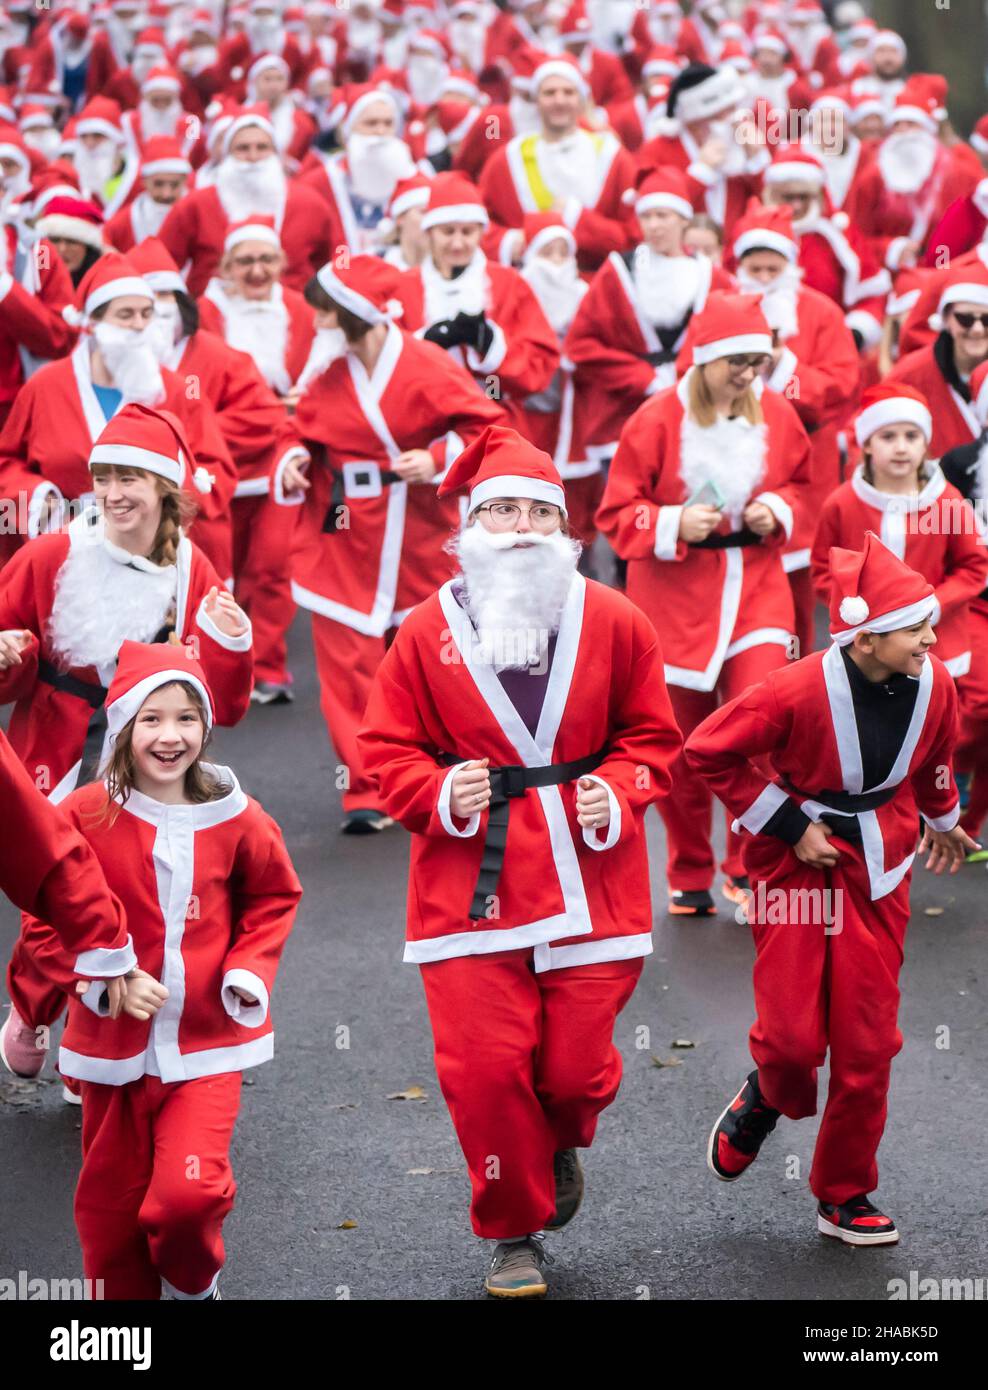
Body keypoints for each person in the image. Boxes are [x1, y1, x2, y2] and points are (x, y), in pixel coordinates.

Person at [357, 424, 681, 1298]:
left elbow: (654, 739)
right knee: (486, 1069)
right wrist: (433, 794)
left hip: (591, 874)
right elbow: (383, 752)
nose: (521, 527)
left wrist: (618, 791)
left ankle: (560, 1137)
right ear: (469, 527)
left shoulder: (615, 618)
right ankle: (513, 1231)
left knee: (573, 1075)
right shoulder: (424, 633)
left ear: (564, 530)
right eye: (500, 510)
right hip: (472, 885)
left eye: (539, 512)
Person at [686, 534, 976, 1245]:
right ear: (867, 637)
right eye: (916, 628)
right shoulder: (793, 687)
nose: (932, 640)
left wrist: (945, 824)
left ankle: (845, 1192)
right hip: (795, 864)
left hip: (880, 863)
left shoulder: (936, 684)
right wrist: (790, 825)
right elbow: (707, 752)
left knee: (868, 1042)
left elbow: (938, 757)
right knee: (790, 1041)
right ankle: (766, 1096)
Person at [16, 640, 301, 1299]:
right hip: (110, 1057)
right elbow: (42, 915)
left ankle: (198, 1282)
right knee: (111, 1223)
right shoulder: (84, 814)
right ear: (122, 727)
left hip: (206, 1046)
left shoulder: (237, 815)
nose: (170, 736)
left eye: (185, 717)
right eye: (151, 718)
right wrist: (97, 981)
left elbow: (275, 895)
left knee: (185, 1201)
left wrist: (247, 971)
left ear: (205, 725)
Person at [272, 254, 506, 833]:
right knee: (349, 664)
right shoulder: (327, 371)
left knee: (428, 657)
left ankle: (441, 774)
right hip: (341, 531)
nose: (318, 325)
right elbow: (293, 427)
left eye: (326, 313)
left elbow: (490, 429)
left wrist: (436, 458)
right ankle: (366, 789)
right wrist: (294, 457)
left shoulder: (425, 365)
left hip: (417, 532)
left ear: (353, 315)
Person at [596, 293, 811, 914]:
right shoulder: (655, 419)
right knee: (685, 747)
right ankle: (690, 867)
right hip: (673, 597)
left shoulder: (775, 412)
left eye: (759, 362)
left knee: (762, 729)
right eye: (737, 362)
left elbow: (801, 478)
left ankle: (750, 864)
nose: (749, 375)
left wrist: (784, 508)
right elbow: (616, 511)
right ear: (705, 359)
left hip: (758, 585)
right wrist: (669, 524)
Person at [0, 253, 237, 578]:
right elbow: (6, 462)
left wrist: (157, 502)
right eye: (126, 314)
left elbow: (215, 469)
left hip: (154, 560)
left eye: (146, 314)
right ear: (93, 324)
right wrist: (40, 499)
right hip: (65, 555)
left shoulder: (175, 390)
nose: (140, 325)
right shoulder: (45, 386)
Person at [726, 198, 860, 656]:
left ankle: (800, 673)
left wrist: (784, 366)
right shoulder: (720, 310)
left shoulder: (821, 313)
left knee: (796, 586)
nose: (763, 278)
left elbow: (841, 382)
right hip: (732, 464)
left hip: (804, 470)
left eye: (772, 267)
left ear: (789, 265)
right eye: (755, 267)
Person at [812, 384, 988, 680]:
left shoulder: (947, 500)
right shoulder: (842, 503)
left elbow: (974, 566)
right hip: (865, 647)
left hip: (937, 644)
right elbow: (822, 571)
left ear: (925, 444)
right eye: (888, 436)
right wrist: (855, 607)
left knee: (934, 720)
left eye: (912, 436)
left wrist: (935, 604)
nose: (901, 447)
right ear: (867, 443)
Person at [564, 166, 732, 462]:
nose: (654, 225)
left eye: (663, 215)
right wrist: (644, 378)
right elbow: (580, 346)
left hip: (696, 420)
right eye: (646, 216)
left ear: (683, 220)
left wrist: (684, 377)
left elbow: (730, 345)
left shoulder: (712, 277)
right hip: (623, 421)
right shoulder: (617, 272)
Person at [392, 173, 559, 431]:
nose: (458, 243)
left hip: (499, 424)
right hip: (423, 429)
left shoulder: (508, 283)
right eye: (448, 232)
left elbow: (540, 369)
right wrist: (424, 344)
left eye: (467, 232)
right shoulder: (403, 287)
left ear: (481, 232)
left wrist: (491, 347)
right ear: (430, 232)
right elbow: (384, 366)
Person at [479, 53, 636, 271]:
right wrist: (510, 242)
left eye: (568, 92)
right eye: (550, 93)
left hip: (595, 288)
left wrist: (577, 218)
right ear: (536, 99)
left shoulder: (613, 157)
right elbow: (477, 226)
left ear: (581, 99)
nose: (559, 101)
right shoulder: (506, 160)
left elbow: (633, 237)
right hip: (525, 288)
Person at [159, 108, 332, 297]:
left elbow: (336, 256)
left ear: (275, 152)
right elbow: (161, 260)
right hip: (213, 316)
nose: (253, 157)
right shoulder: (196, 204)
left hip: (293, 315)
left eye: (262, 147)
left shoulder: (310, 203)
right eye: (242, 148)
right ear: (227, 153)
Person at [888, 262, 988, 459]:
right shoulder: (911, 372)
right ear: (946, 319)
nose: (977, 329)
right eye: (965, 319)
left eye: (987, 320)